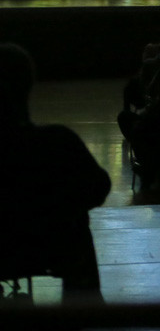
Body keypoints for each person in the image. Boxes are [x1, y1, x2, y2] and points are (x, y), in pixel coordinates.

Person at [0, 43, 111, 301]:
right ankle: (83, 308)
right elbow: (98, 188)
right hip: (52, 248)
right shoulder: (58, 142)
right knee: (77, 227)